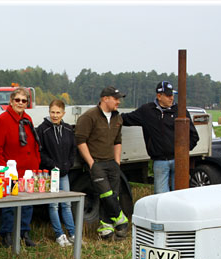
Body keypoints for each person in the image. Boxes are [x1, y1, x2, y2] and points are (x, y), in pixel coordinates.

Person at [121, 81, 199, 194]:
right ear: (159, 96)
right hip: (160, 161)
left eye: (172, 95)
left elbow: (194, 135)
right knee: (161, 195)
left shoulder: (180, 111)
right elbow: (126, 119)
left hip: (179, 161)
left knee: (180, 194)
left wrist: (183, 152)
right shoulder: (147, 111)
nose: (171, 98)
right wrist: (110, 116)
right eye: (168, 95)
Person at [74, 86, 129, 240]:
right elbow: (80, 141)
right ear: (105, 98)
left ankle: (106, 229)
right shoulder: (89, 116)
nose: (118, 101)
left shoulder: (118, 117)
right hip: (96, 164)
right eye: (116, 98)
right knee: (106, 193)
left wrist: (117, 162)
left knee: (113, 196)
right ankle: (121, 219)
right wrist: (91, 163)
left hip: (112, 163)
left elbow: (117, 141)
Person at [0, 87, 41, 248]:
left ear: (27, 103)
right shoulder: (3, 120)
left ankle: (24, 232)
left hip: (28, 171)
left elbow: (34, 145)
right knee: (9, 205)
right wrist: (3, 172)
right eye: (17, 100)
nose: (20, 103)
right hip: (10, 172)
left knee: (27, 204)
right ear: (11, 101)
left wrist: (36, 163)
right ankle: (7, 234)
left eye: (23, 101)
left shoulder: (28, 119)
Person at [36, 100, 76, 247]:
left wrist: (69, 164)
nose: (55, 115)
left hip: (64, 172)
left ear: (63, 113)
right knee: (53, 205)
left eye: (58, 112)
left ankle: (73, 234)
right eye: (52, 112)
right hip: (51, 173)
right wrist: (52, 165)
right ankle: (59, 235)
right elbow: (40, 152)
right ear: (49, 112)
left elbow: (73, 148)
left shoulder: (67, 129)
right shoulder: (42, 130)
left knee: (66, 204)